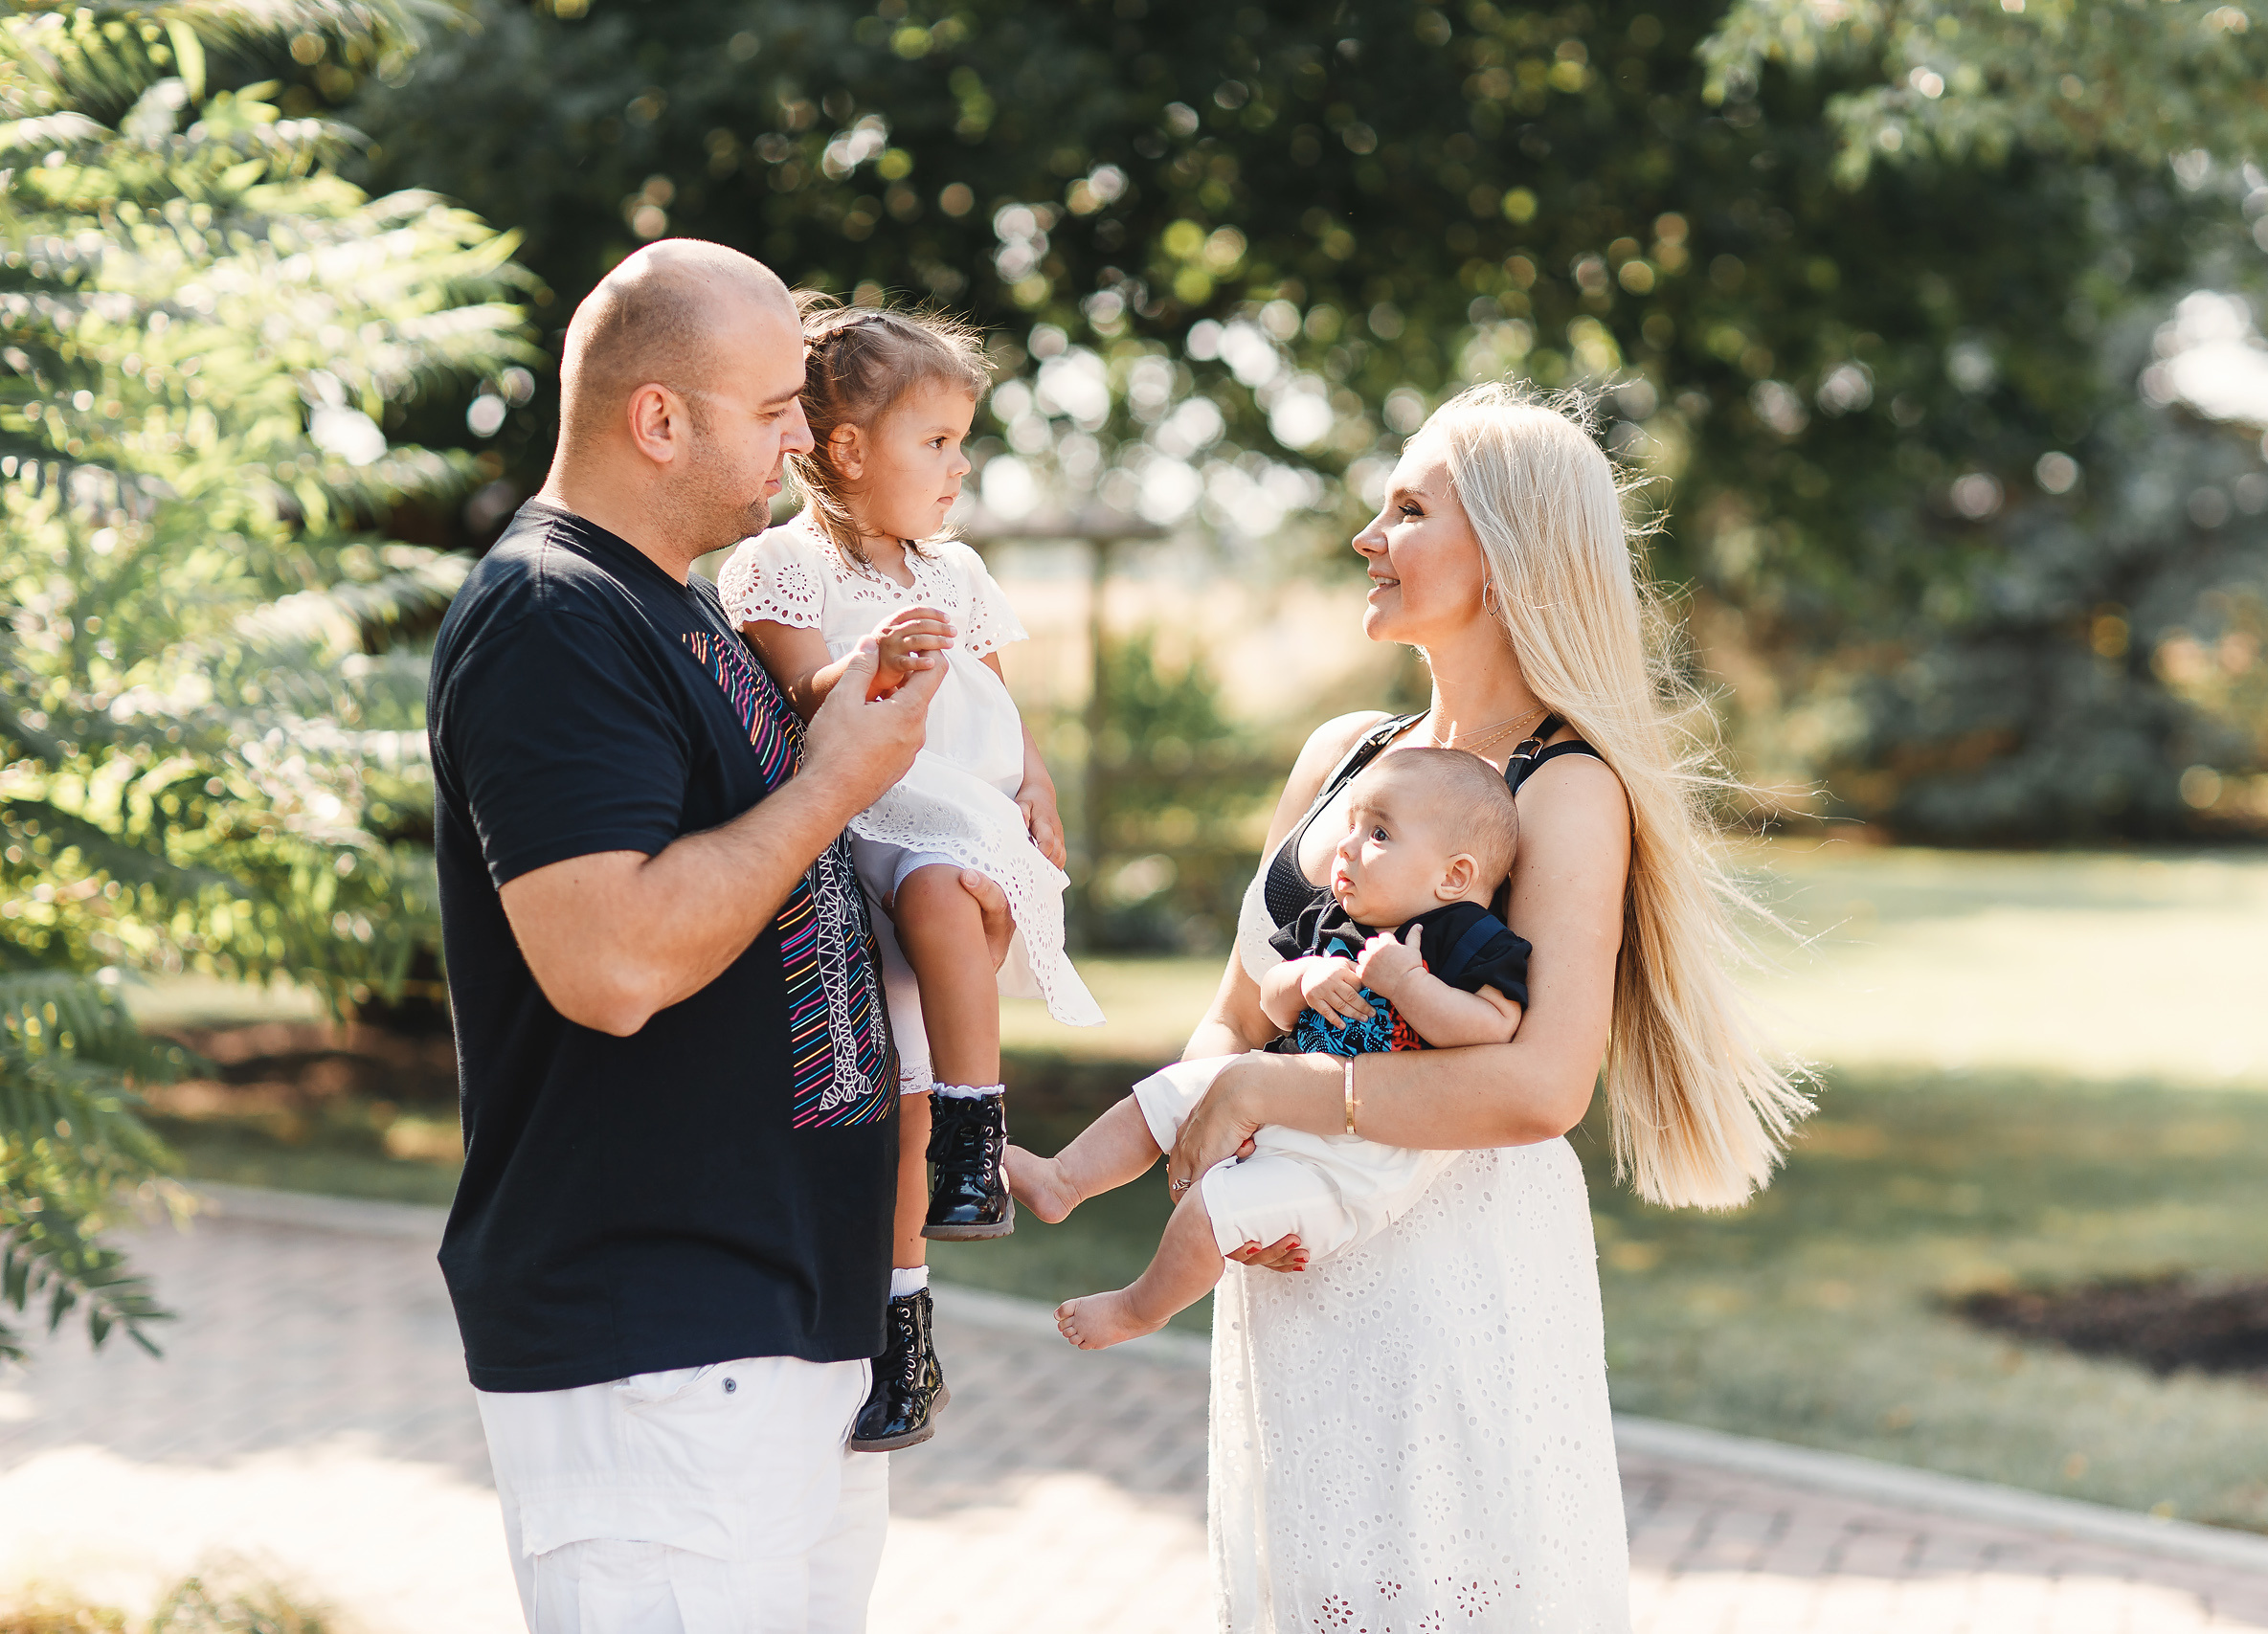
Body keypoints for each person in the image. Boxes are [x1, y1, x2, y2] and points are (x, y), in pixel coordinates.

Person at [1161, 383, 1813, 1631]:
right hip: (1294, 1271)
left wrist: (1270, 1095)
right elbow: (1235, 1017)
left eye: (1408, 507)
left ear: (1512, 557)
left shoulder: (1566, 791)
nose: (1368, 533)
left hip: (1453, 1283)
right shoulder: (1340, 758)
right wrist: (1213, 1137)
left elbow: (1537, 1084)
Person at [427, 239, 1009, 1633]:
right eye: (772, 409)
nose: (807, 435)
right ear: (659, 419)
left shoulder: (676, 606)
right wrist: (833, 783)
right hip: (661, 1341)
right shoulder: (551, 617)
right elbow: (612, 960)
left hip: (780, 1326)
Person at [718, 296, 1100, 1452]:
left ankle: (975, 1141)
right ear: (845, 450)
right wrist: (867, 660)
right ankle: (902, 1337)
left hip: (952, 821)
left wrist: (1035, 784)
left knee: (933, 979)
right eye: (934, 443)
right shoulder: (780, 566)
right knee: (886, 1115)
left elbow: (997, 701)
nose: (958, 466)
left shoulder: (961, 570)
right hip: (862, 821)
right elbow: (797, 695)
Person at [1006, 747, 1532, 1352]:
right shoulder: (1332, 918)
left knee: (1216, 1210)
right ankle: (1064, 1179)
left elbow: (1495, 1028)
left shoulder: (1466, 935)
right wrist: (1303, 978)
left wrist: (1408, 984)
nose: (1348, 845)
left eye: (1380, 833)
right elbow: (1272, 1008)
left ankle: (1138, 1309)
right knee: (1172, 1090)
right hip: (1282, 1102)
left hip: (1360, 1156)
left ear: (1454, 877)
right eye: (1353, 826)